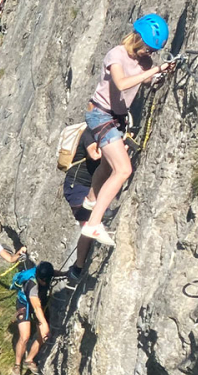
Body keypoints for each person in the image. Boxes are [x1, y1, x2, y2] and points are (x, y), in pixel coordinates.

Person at [80, 14, 177, 246]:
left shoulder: (144, 63)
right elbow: (122, 83)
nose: (150, 54)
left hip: (116, 118)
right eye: (148, 48)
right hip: (100, 114)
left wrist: (163, 73)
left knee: (107, 165)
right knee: (123, 170)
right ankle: (93, 224)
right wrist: (154, 70)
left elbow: (149, 82)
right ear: (138, 38)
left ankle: (92, 200)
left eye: (153, 51)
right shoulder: (116, 54)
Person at [60, 125, 101, 285]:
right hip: (77, 187)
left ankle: (77, 267)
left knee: (90, 225)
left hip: (88, 186)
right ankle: (78, 267)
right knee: (87, 227)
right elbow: (94, 154)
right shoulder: (90, 132)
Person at [10, 260, 49, 375]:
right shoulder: (32, 285)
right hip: (24, 305)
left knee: (42, 336)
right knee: (25, 336)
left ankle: (29, 359)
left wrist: (65, 273)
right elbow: (36, 307)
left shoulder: (46, 274)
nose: (44, 282)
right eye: (42, 280)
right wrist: (45, 324)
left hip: (37, 303)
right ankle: (17, 366)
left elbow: (54, 273)